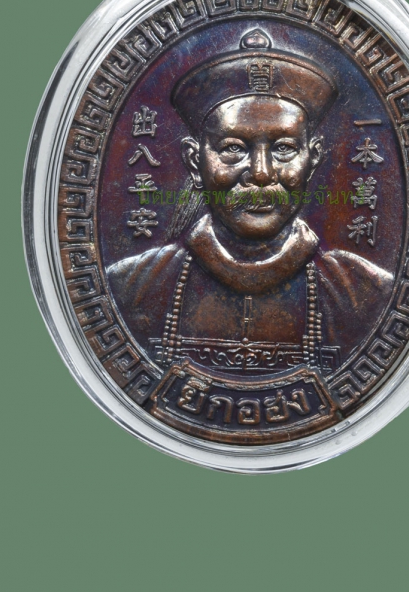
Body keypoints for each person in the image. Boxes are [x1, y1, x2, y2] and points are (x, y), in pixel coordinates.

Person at [108, 28, 392, 375]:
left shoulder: (365, 292)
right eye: (233, 149)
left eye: (284, 149)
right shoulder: (133, 286)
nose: (261, 173)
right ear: (195, 162)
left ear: (313, 158)